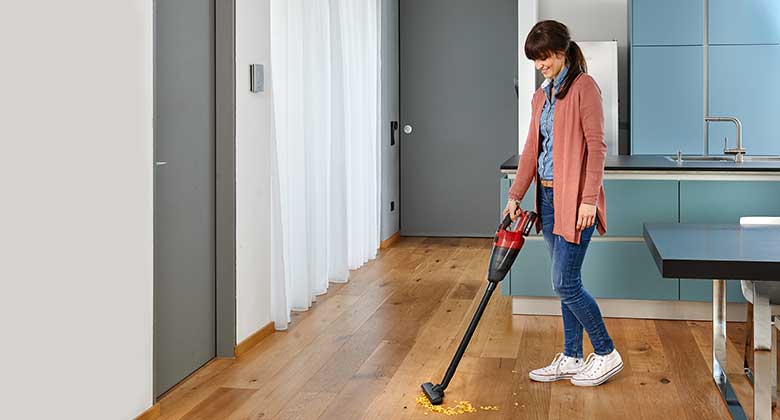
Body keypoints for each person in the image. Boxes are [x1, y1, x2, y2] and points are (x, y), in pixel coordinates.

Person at [503, 20, 622, 387]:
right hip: (549, 198)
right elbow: (530, 151)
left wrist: (589, 200)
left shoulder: (585, 87)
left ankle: (606, 352)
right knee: (566, 282)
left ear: (561, 51)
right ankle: (572, 356)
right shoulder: (542, 95)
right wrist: (514, 195)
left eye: (544, 57)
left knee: (565, 283)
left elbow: (597, 147)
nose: (540, 64)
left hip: (575, 201)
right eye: (535, 60)